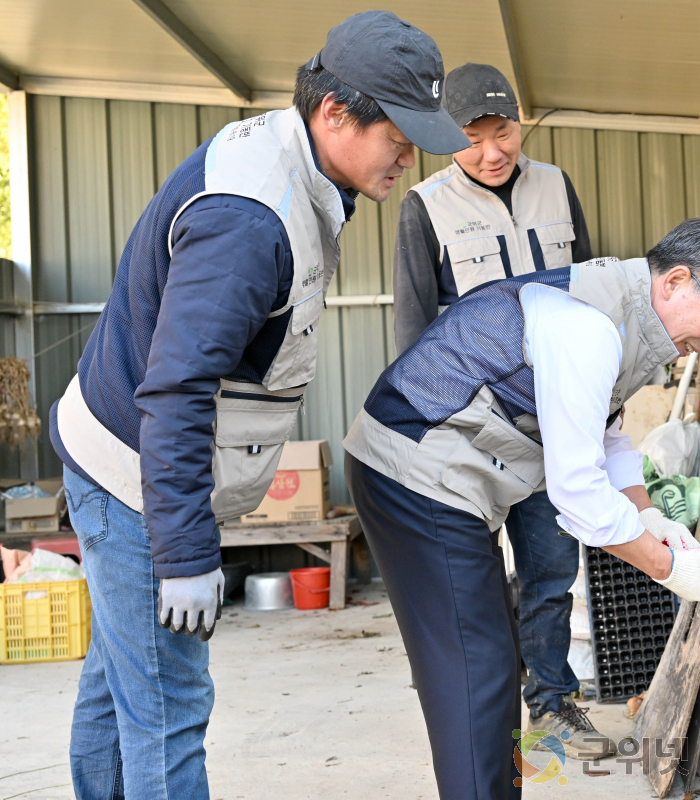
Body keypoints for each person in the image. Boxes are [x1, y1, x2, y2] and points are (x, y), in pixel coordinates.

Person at [51, 12, 469, 799]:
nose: (409, 157)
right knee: (170, 709)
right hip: (132, 473)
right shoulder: (247, 222)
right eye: (399, 135)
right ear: (334, 113)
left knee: (123, 691)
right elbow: (174, 389)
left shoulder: (302, 160)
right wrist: (183, 553)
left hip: (128, 453)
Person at [344, 216, 700, 798]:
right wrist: (668, 568)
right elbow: (575, 490)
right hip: (411, 471)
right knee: (478, 673)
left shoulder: (626, 315)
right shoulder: (589, 328)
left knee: (492, 668)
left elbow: (609, 434)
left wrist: (647, 516)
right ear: (676, 281)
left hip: (450, 479)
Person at [390, 62, 608, 756]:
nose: (492, 152)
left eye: (503, 131)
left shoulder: (555, 187)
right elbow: (413, 328)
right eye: (473, 137)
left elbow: (593, 292)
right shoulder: (424, 207)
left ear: (520, 123)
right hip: (472, 431)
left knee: (551, 567)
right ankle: (486, 715)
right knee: (475, 580)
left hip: (552, 422)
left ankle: (552, 702)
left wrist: (603, 397)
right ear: (443, 138)